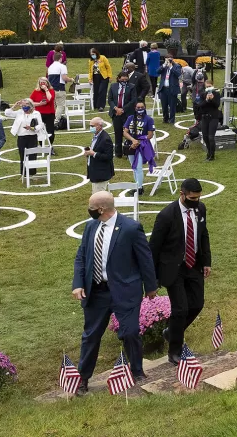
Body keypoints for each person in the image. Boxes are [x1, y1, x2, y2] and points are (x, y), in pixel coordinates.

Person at [71, 191, 157, 393]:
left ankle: (137, 370)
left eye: (91, 207)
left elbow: (145, 259)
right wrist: (78, 283)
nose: (89, 210)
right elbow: (81, 256)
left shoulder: (131, 228)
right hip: (97, 292)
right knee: (91, 336)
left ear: (101, 209)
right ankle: (83, 378)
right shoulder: (91, 227)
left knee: (130, 332)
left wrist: (151, 287)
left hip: (125, 290)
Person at [150, 177, 212, 364]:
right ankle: (174, 351)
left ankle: (171, 332)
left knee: (197, 304)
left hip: (193, 265)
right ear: (182, 194)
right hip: (172, 268)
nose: (196, 202)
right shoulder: (166, 216)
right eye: (192, 198)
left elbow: (203, 234)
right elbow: (153, 247)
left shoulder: (200, 209)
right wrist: (152, 278)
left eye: (198, 198)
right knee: (180, 309)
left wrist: (206, 261)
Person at [123, 103, 157, 187]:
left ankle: (139, 187)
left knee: (138, 167)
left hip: (142, 145)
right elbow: (125, 132)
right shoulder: (130, 118)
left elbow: (150, 135)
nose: (140, 108)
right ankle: (136, 185)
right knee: (134, 167)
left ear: (145, 108)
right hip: (131, 144)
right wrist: (133, 140)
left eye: (142, 107)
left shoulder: (149, 119)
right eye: (138, 107)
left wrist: (138, 141)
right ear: (135, 108)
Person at [7, 98, 49, 163]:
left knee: (32, 156)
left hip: (32, 137)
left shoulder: (36, 113)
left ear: (31, 105)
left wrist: (32, 128)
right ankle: (23, 172)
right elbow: (7, 113)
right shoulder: (19, 112)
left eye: (26, 105)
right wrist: (15, 105)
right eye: (23, 105)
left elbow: (41, 125)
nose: (24, 107)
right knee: (22, 155)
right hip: (21, 137)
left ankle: (32, 172)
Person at [185, 86, 222, 161]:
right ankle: (209, 152)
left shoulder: (217, 94)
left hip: (213, 118)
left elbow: (217, 105)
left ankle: (212, 155)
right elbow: (200, 106)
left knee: (211, 137)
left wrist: (212, 99)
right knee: (205, 137)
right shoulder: (202, 95)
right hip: (204, 118)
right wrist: (207, 100)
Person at [83, 117, 115, 191]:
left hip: (101, 174)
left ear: (99, 126)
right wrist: (89, 153)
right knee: (96, 195)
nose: (91, 128)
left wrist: (94, 154)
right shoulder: (97, 136)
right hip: (96, 173)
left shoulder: (105, 139)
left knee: (99, 198)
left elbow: (109, 156)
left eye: (92, 126)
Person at [157, 55, 181, 125]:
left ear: (172, 59)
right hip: (163, 88)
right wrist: (164, 65)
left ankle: (172, 120)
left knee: (172, 105)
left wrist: (171, 67)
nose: (168, 60)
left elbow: (178, 74)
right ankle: (165, 119)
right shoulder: (164, 66)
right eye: (166, 59)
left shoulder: (177, 66)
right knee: (164, 105)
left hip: (172, 89)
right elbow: (157, 71)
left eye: (169, 59)